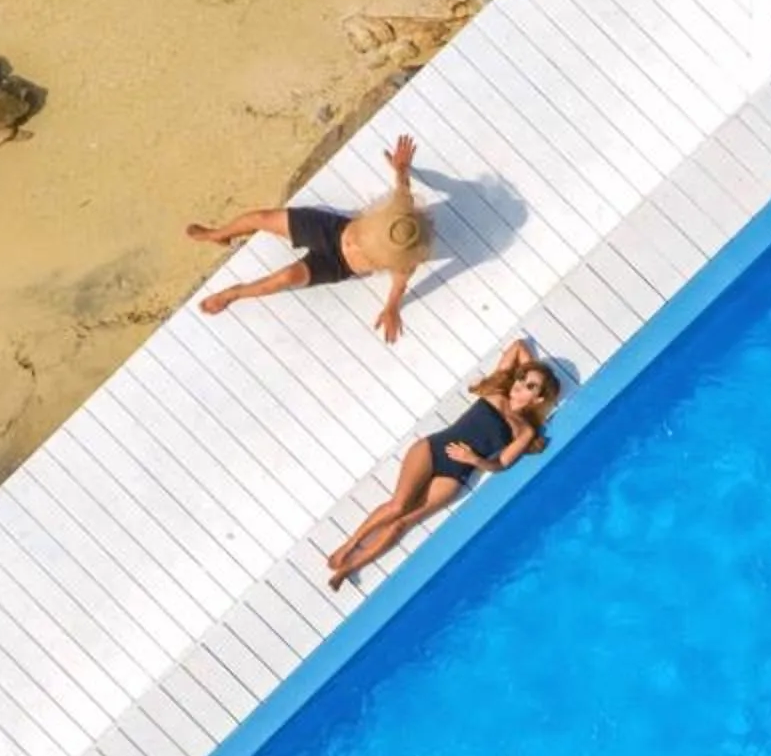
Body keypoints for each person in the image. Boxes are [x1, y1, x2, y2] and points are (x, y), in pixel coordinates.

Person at [325, 339, 560, 589]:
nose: (520, 385)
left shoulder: (524, 431)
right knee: (398, 506)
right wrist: (534, 372)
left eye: (530, 386)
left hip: (456, 473)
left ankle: (349, 569)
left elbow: (501, 463)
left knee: (401, 524)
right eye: (521, 379)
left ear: (538, 399)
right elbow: (519, 346)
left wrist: (474, 460)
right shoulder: (497, 391)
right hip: (433, 449)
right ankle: (349, 546)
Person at [187, 134, 434, 345]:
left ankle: (234, 293)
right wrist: (401, 167)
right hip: (332, 230)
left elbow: (399, 286)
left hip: (338, 265)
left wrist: (391, 308)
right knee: (261, 218)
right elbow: (403, 184)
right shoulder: (403, 211)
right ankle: (217, 235)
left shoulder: (407, 259)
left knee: (285, 278)